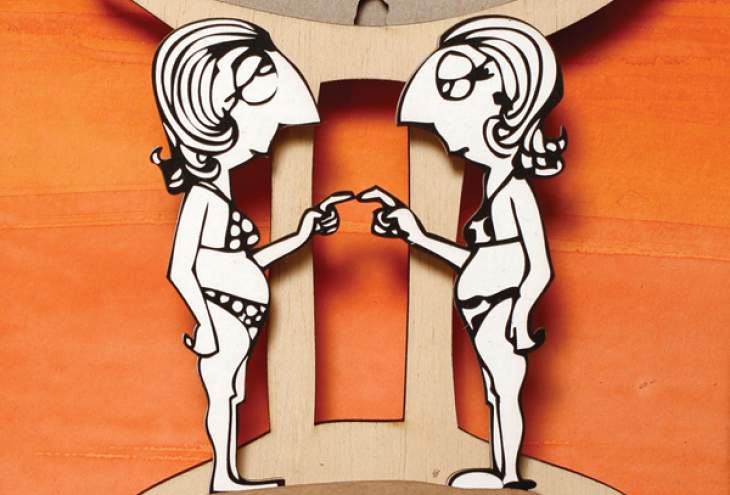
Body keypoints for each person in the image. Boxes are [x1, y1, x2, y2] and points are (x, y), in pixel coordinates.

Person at [360, 16, 566, 490]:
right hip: (482, 305)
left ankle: (508, 474)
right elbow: (477, 261)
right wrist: (417, 235)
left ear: (503, 112)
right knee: (496, 392)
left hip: (499, 309)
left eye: (454, 123)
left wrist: (520, 315)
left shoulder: (514, 190)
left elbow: (538, 266)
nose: (449, 140)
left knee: (505, 390)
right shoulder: (494, 184)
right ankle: (503, 469)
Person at [151, 18, 352, 492]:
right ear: (219, 116)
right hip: (222, 314)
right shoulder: (203, 196)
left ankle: (229, 473)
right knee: (222, 395)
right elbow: (181, 268)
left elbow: (248, 262)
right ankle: (223, 476)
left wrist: (300, 235)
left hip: (239, 311)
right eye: (265, 120)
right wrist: (206, 322)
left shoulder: (221, 193)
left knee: (232, 394)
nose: (271, 136)